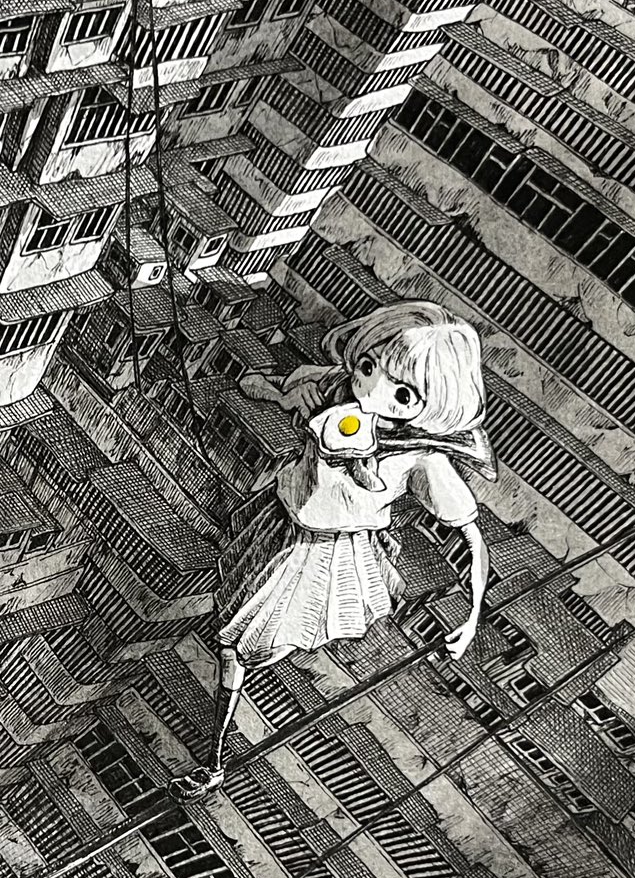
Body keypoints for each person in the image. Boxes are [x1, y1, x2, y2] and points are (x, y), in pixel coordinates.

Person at [175, 302, 494, 798]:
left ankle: (215, 760)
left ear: (433, 403)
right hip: (280, 522)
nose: (372, 389)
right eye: (369, 367)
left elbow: (472, 537)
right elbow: (269, 387)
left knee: (240, 646)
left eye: (403, 392)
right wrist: (273, 390)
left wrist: (471, 617)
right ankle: (216, 751)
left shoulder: (423, 459)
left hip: (323, 555)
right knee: (230, 626)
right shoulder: (336, 390)